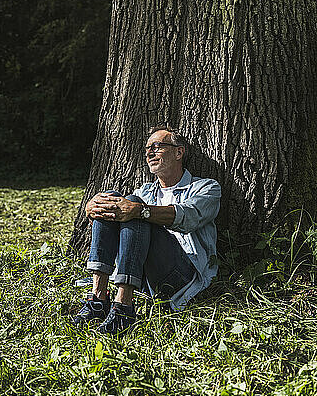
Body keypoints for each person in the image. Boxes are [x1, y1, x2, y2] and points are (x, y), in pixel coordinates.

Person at [74, 125, 221, 336]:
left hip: (182, 277)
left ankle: (123, 307)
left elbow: (188, 217)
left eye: (157, 146)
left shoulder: (206, 188)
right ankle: (99, 299)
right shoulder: (145, 191)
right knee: (110, 197)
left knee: (135, 207)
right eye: (147, 149)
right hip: (145, 278)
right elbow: (121, 220)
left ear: (179, 152)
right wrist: (93, 209)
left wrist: (140, 211)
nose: (150, 152)